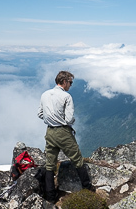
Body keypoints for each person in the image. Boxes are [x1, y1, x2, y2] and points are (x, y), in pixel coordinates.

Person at [38, 71, 92, 203]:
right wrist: (67, 121)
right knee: (77, 159)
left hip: (49, 132)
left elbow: (40, 114)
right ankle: (88, 188)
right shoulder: (66, 96)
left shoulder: (45, 94)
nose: (70, 85)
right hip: (63, 132)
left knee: (50, 164)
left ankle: (50, 197)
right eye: (70, 82)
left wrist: (51, 118)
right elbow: (68, 119)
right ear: (64, 81)